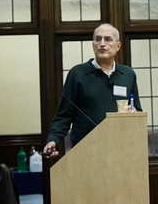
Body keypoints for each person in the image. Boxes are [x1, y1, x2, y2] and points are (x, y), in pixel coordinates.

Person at [43, 23, 141, 158]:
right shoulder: (77, 74)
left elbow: (137, 111)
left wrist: (134, 114)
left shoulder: (128, 74)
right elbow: (64, 115)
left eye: (107, 39)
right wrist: (53, 140)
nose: (102, 43)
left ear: (118, 46)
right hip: (85, 153)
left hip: (120, 151)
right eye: (98, 39)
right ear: (93, 44)